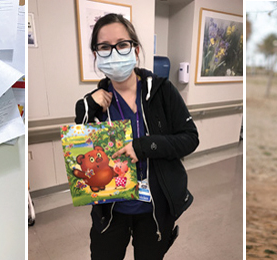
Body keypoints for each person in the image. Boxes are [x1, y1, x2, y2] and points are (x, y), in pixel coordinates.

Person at [74, 13, 199, 260]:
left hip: (155, 208)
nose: (114, 52)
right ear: (96, 55)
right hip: (111, 212)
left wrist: (144, 146)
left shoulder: (162, 91)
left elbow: (190, 138)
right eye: (104, 47)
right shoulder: (91, 104)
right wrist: (87, 108)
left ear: (136, 49)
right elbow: (82, 158)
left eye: (122, 44)